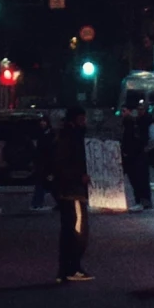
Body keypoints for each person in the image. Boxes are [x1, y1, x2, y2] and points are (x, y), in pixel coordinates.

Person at [46, 107, 93, 282]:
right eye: (82, 119)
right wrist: (80, 176)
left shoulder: (68, 136)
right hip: (72, 192)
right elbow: (63, 165)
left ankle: (67, 269)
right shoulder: (69, 138)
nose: (84, 122)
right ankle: (72, 268)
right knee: (77, 231)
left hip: (69, 191)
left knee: (70, 231)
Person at [120, 98, 154, 209]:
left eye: (141, 109)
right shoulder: (134, 122)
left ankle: (143, 201)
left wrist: (144, 150)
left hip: (138, 155)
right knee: (135, 178)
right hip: (133, 155)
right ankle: (140, 200)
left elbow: (151, 138)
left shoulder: (145, 122)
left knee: (140, 178)